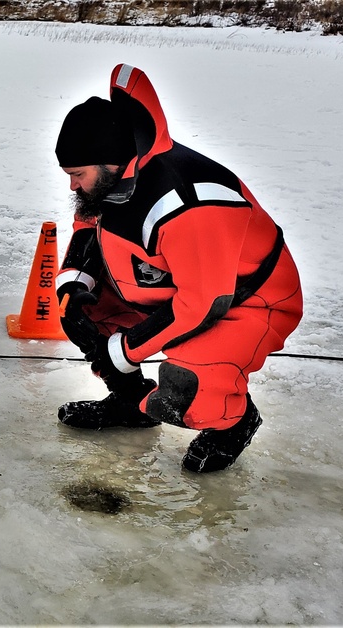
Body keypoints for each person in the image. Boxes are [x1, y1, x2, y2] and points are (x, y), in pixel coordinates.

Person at [54, 63, 303, 473]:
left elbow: (203, 304)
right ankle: (130, 403)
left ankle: (235, 424)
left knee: (185, 391)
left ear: (109, 162)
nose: (72, 186)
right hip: (172, 288)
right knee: (79, 313)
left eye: (77, 174)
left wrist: (125, 348)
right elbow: (88, 227)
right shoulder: (114, 179)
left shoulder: (187, 201)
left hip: (249, 303)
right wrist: (75, 287)